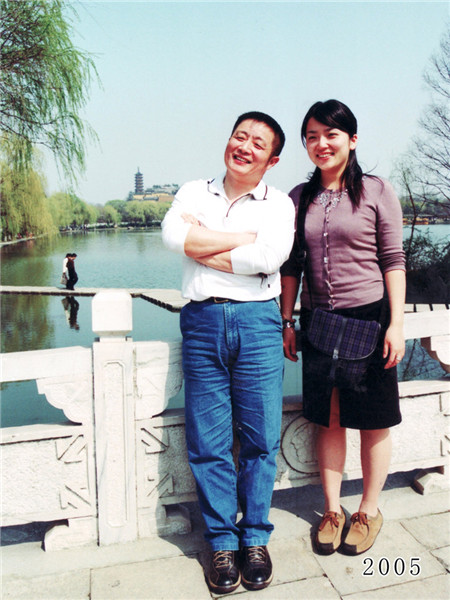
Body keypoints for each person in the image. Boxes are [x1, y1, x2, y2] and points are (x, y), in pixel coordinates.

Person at [162, 111, 295, 593]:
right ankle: (221, 542)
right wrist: (242, 240)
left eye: (258, 143)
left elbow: (269, 259)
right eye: (240, 136)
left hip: (258, 323)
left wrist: (203, 244)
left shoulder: (280, 204)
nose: (245, 146)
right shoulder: (194, 191)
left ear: (272, 159)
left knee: (260, 437)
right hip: (201, 322)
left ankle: (255, 536)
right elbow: (173, 237)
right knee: (208, 440)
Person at [280, 100, 406, 556]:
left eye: (331, 134)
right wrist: (288, 319)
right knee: (328, 418)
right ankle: (332, 509)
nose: (321, 144)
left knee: (373, 420)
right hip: (318, 322)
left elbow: (393, 259)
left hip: (369, 318)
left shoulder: (376, 190)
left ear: (352, 140)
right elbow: (292, 263)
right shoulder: (298, 197)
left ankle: (369, 510)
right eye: (311, 136)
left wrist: (396, 323)